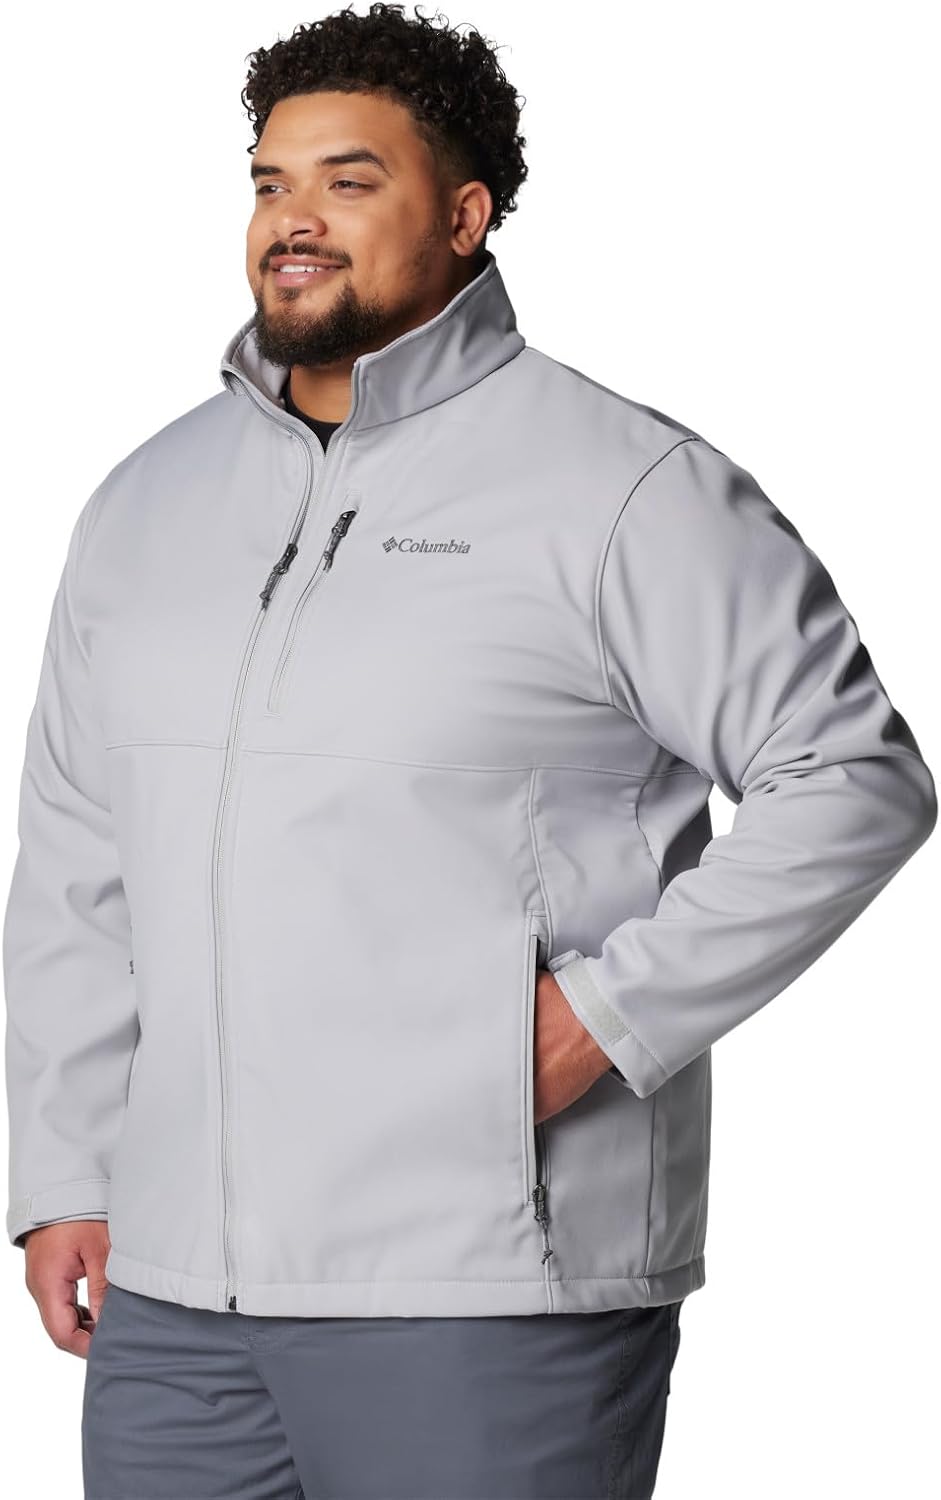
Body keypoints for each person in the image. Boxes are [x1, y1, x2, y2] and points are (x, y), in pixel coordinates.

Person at [3, 5, 935, 1498]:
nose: (293, 219)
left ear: (464, 214)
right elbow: (77, 855)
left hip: (486, 1281)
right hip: (176, 1300)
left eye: (349, 180)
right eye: (270, 181)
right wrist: (63, 1172)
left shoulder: (620, 487)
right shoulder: (146, 502)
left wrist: (595, 1026)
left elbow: (852, 776)